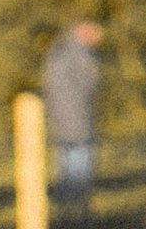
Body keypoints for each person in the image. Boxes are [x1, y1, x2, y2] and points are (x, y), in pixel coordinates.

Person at [40, 20, 102, 216]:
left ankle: (65, 204)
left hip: (60, 114)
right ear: (85, 30)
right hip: (77, 114)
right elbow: (90, 82)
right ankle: (78, 205)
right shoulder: (79, 52)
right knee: (79, 159)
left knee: (65, 159)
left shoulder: (58, 49)